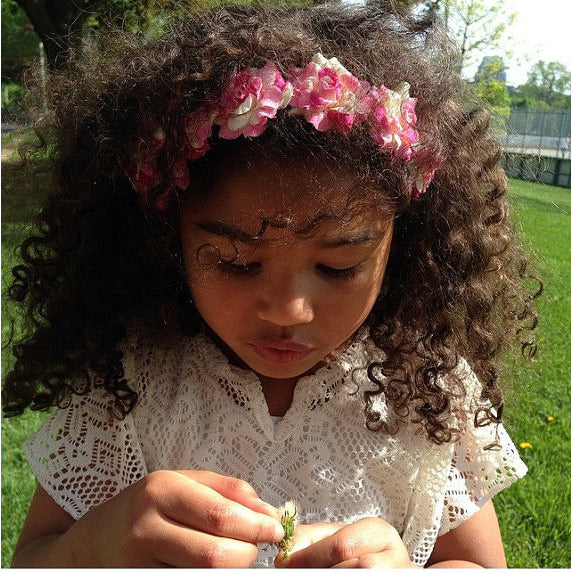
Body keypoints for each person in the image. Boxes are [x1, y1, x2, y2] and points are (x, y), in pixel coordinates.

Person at [3, 2, 540, 568]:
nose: (289, 310)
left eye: (339, 267)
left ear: (400, 248)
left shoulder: (428, 391)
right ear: (167, 241)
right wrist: (101, 542)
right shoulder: (126, 385)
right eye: (236, 262)